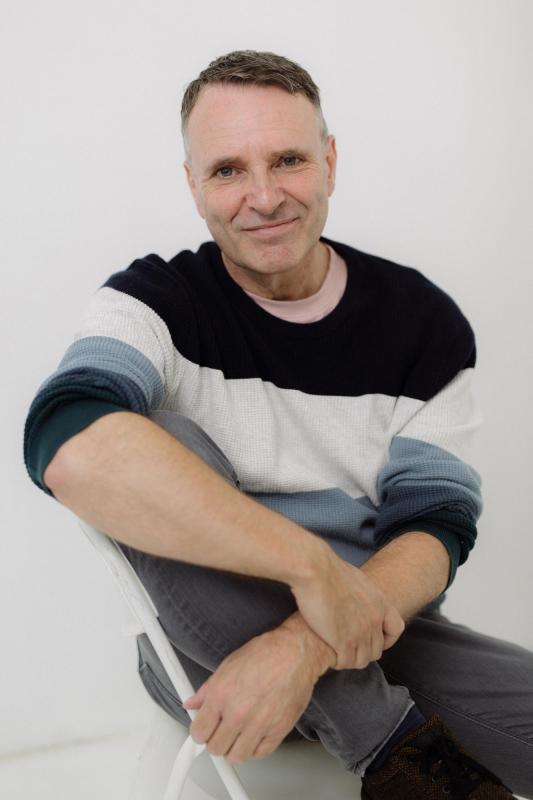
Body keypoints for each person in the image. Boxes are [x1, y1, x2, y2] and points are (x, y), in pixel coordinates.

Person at [23, 50, 532, 799]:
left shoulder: (421, 323)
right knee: (152, 438)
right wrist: (310, 570)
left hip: (377, 631)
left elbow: (435, 528)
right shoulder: (152, 302)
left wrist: (303, 643)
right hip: (198, 652)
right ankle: (400, 754)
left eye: (288, 160)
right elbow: (72, 450)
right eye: (228, 170)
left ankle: (379, 723)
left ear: (329, 162)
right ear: (193, 186)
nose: (263, 197)